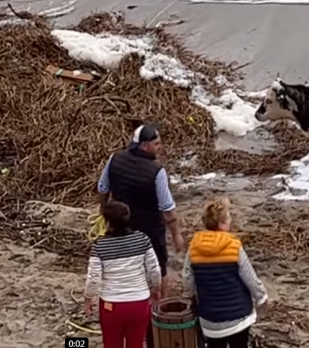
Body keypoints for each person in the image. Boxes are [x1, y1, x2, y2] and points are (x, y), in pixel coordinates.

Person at [97, 124, 185, 290]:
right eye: (156, 144)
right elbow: (167, 210)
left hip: (120, 225)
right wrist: (176, 234)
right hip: (150, 228)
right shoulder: (157, 171)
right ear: (144, 145)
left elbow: (102, 188)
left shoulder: (115, 158)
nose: (160, 147)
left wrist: (104, 212)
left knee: (125, 265)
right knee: (159, 268)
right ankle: (160, 302)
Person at [183, 196, 267, 348]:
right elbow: (250, 278)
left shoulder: (193, 247)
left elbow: (187, 279)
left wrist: (195, 296)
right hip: (238, 318)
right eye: (228, 218)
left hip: (210, 319)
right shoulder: (233, 246)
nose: (231, 220)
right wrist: (262, 297)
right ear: (221, 224)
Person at [85, 201, 162, 348]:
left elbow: (93, 278)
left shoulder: (100, 245)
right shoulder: (142, 239)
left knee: (112, 344)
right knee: (136, 344)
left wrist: (88, 299)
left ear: (107, 222)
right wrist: (156, 290)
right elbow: (154, 270)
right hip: (139, 303)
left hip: (111, 305)